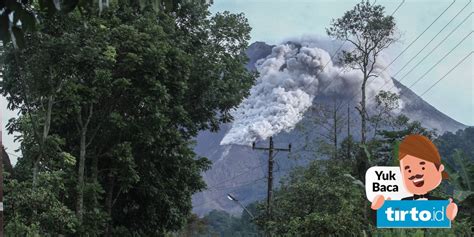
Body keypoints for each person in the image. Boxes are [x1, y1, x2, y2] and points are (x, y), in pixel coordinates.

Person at [370, 134, 457, 220]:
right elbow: (385, 218)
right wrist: (378, 209)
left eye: (422, 167)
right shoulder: (403, 202)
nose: (414, 174)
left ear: (440, 168)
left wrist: (450, 213)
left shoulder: (440, 204)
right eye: (408, 169)